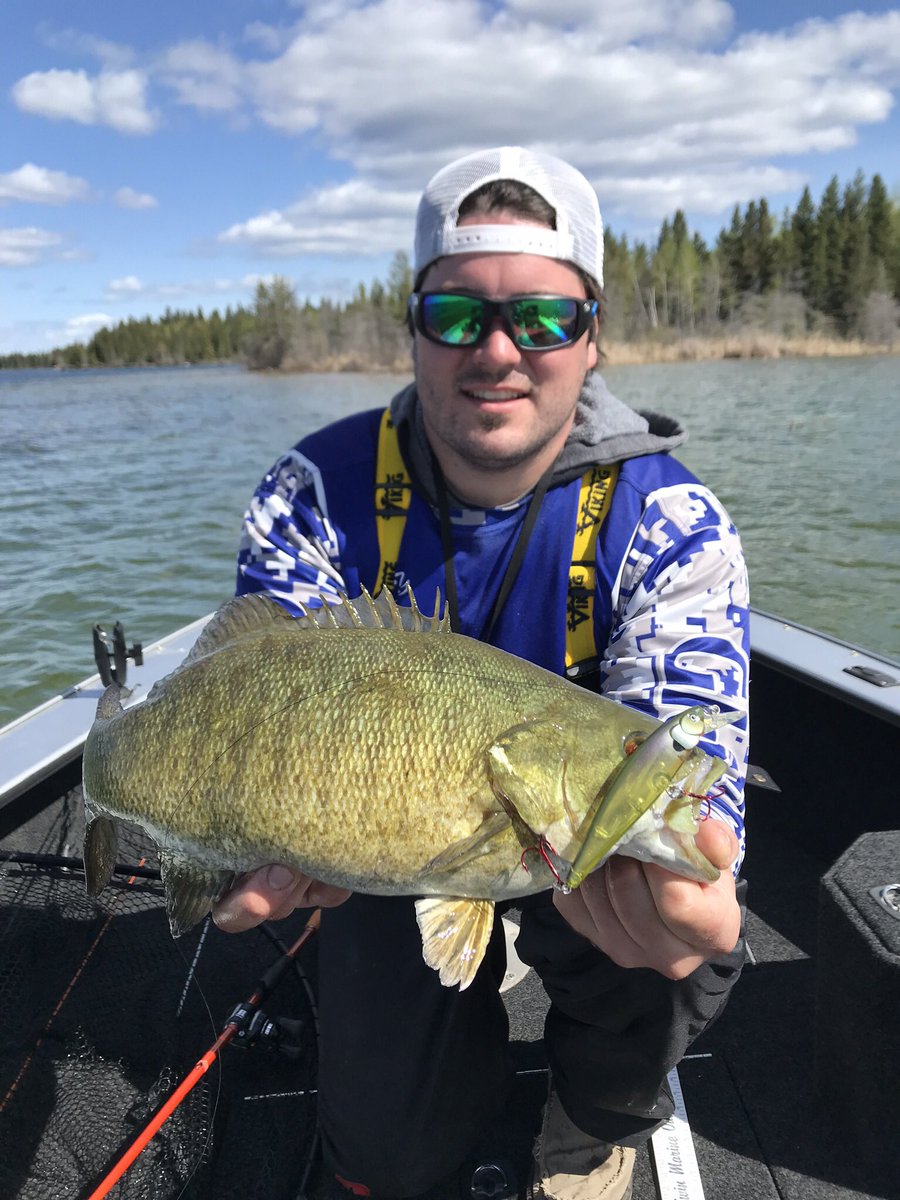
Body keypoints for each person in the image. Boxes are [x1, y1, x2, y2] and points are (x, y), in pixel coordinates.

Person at [213, 146, 749, 1200]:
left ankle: (589, 1124)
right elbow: (258, 692)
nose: (499, 350)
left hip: (570, 845)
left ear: (592, 337)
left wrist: (701, 874)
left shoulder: (676, 526)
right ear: (412, 326)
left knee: (677, 951)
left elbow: (691, 761)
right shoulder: (314, 494)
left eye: (543, 318)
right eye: (458, 314)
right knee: (383, 1153)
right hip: (382, 841)